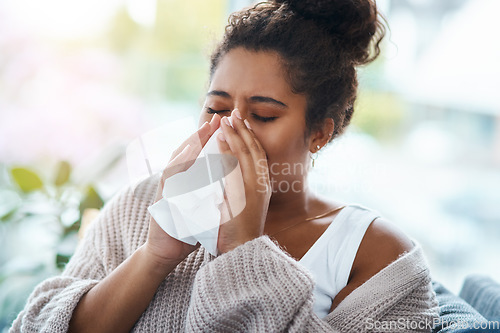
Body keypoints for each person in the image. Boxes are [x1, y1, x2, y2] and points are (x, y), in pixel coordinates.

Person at [11, 0, 440, 332]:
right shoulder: (143, 203)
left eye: (264, 115)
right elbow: (39, 323)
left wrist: (244, 251)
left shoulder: (379, 257)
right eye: (216, 108)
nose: (228, 132)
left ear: (319, 133)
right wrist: (155, 255)